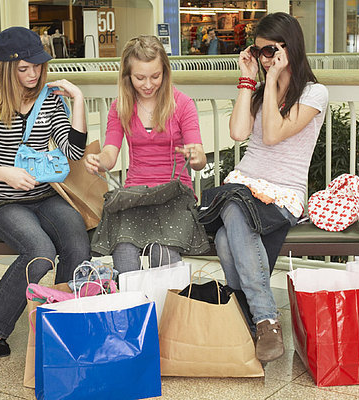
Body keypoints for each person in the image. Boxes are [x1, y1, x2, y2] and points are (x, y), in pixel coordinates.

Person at [0, 26, 90, 357]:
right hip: (4, 202)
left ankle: (63, 321)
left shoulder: (49, 98)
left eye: (37, 66)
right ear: (5, 68)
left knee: (76, 241)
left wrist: (78, 100)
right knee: (40, 251)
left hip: (47, 195)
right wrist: (4, 174)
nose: (33, 74)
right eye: (23, 68)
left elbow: (73, 152)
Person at [215, 12, 328, 363]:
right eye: (259, 51)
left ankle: (254, 317)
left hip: (283, 192)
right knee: (229, 222)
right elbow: (237, 133)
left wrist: (276, 77)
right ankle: (265, 321)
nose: (264, 59)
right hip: (246, 184)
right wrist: (249, 80)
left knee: (227, 231)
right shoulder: (261, 90)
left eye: (270, 51)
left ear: (289, 47)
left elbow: (274, 133)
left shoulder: (314, 93)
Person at [84, 35, 208, 272]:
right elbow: (110, 154)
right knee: (123, 249)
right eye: (140, 77)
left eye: (155, 76)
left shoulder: (183, 104)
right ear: (128, 76)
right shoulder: (120, 106)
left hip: (174, 195)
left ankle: (164, 306)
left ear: (165, 72)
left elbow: (199, 159)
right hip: (136, 194)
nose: (148, 84)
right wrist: (99, 161)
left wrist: (196, 156)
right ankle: (137, 305)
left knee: (164, 250)